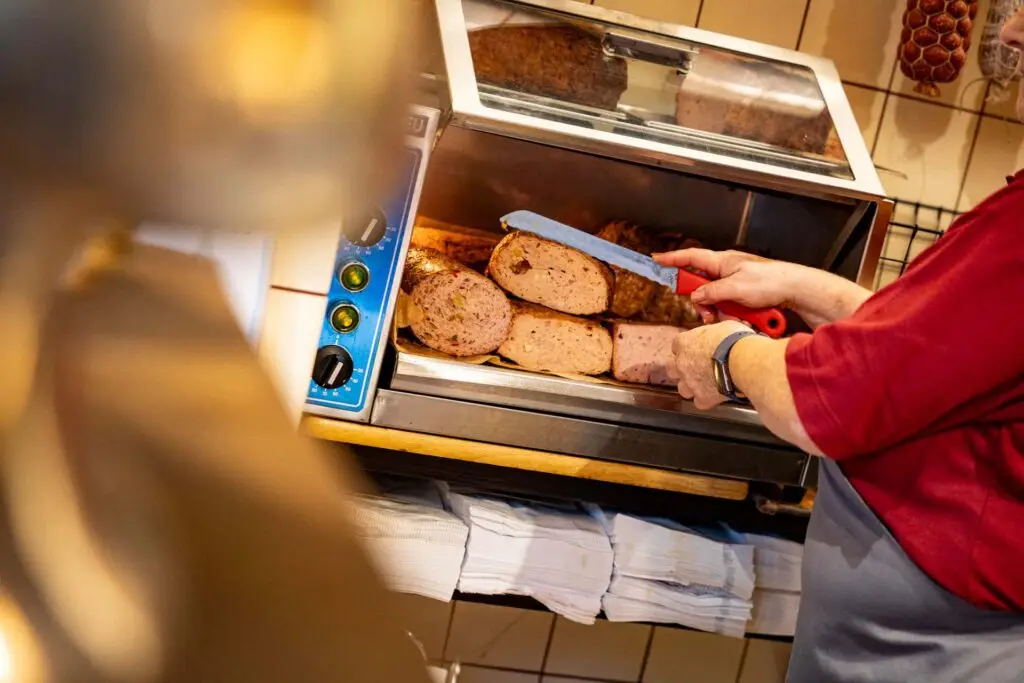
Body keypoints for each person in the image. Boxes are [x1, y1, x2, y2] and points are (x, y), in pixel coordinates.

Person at [658, 11, 1024, 683]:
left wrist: (725, 355)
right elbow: (942, 351)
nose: (1007, 35)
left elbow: (822, 404)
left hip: (934, 651)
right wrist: (801, 285)